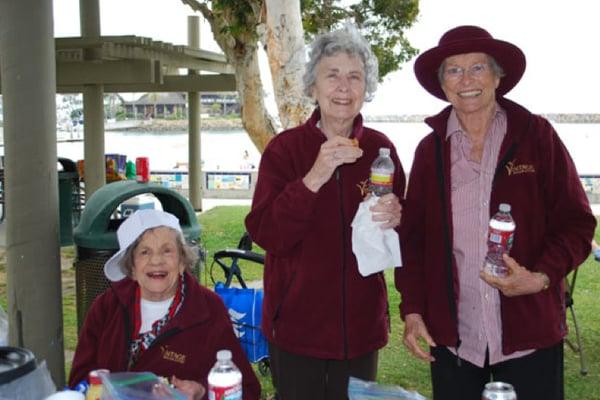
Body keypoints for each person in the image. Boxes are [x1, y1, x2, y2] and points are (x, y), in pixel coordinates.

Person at [395, 25, 597, 400]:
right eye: (453, 70)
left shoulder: (537, 137)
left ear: (497, 76)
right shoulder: (430, 150)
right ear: (442, 84)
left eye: (478, 68)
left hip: (529, 334)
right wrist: (412, 309)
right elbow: (413, 241)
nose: (466, 79)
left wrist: (540, 277)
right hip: (455, 340)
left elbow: (577, 223)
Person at [245, 23, 405, 400]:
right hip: (297, 329)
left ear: (367, 88)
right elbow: (267, 233)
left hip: (361, 330)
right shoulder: (285, 151)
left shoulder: (381, 151)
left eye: (355, 77)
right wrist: (314, 176)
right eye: (332, 76)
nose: (344, 88)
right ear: (312, 87)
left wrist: (400, 215)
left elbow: (399, 234)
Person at [68, 209, 261, 400]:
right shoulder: (106, 307)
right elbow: (78, 380)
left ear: (182, 262)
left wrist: (201, 391)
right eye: (145, 252)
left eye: (167, 251)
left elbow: (248, 390)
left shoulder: (208, 309)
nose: (156, 261)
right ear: (131, 267)